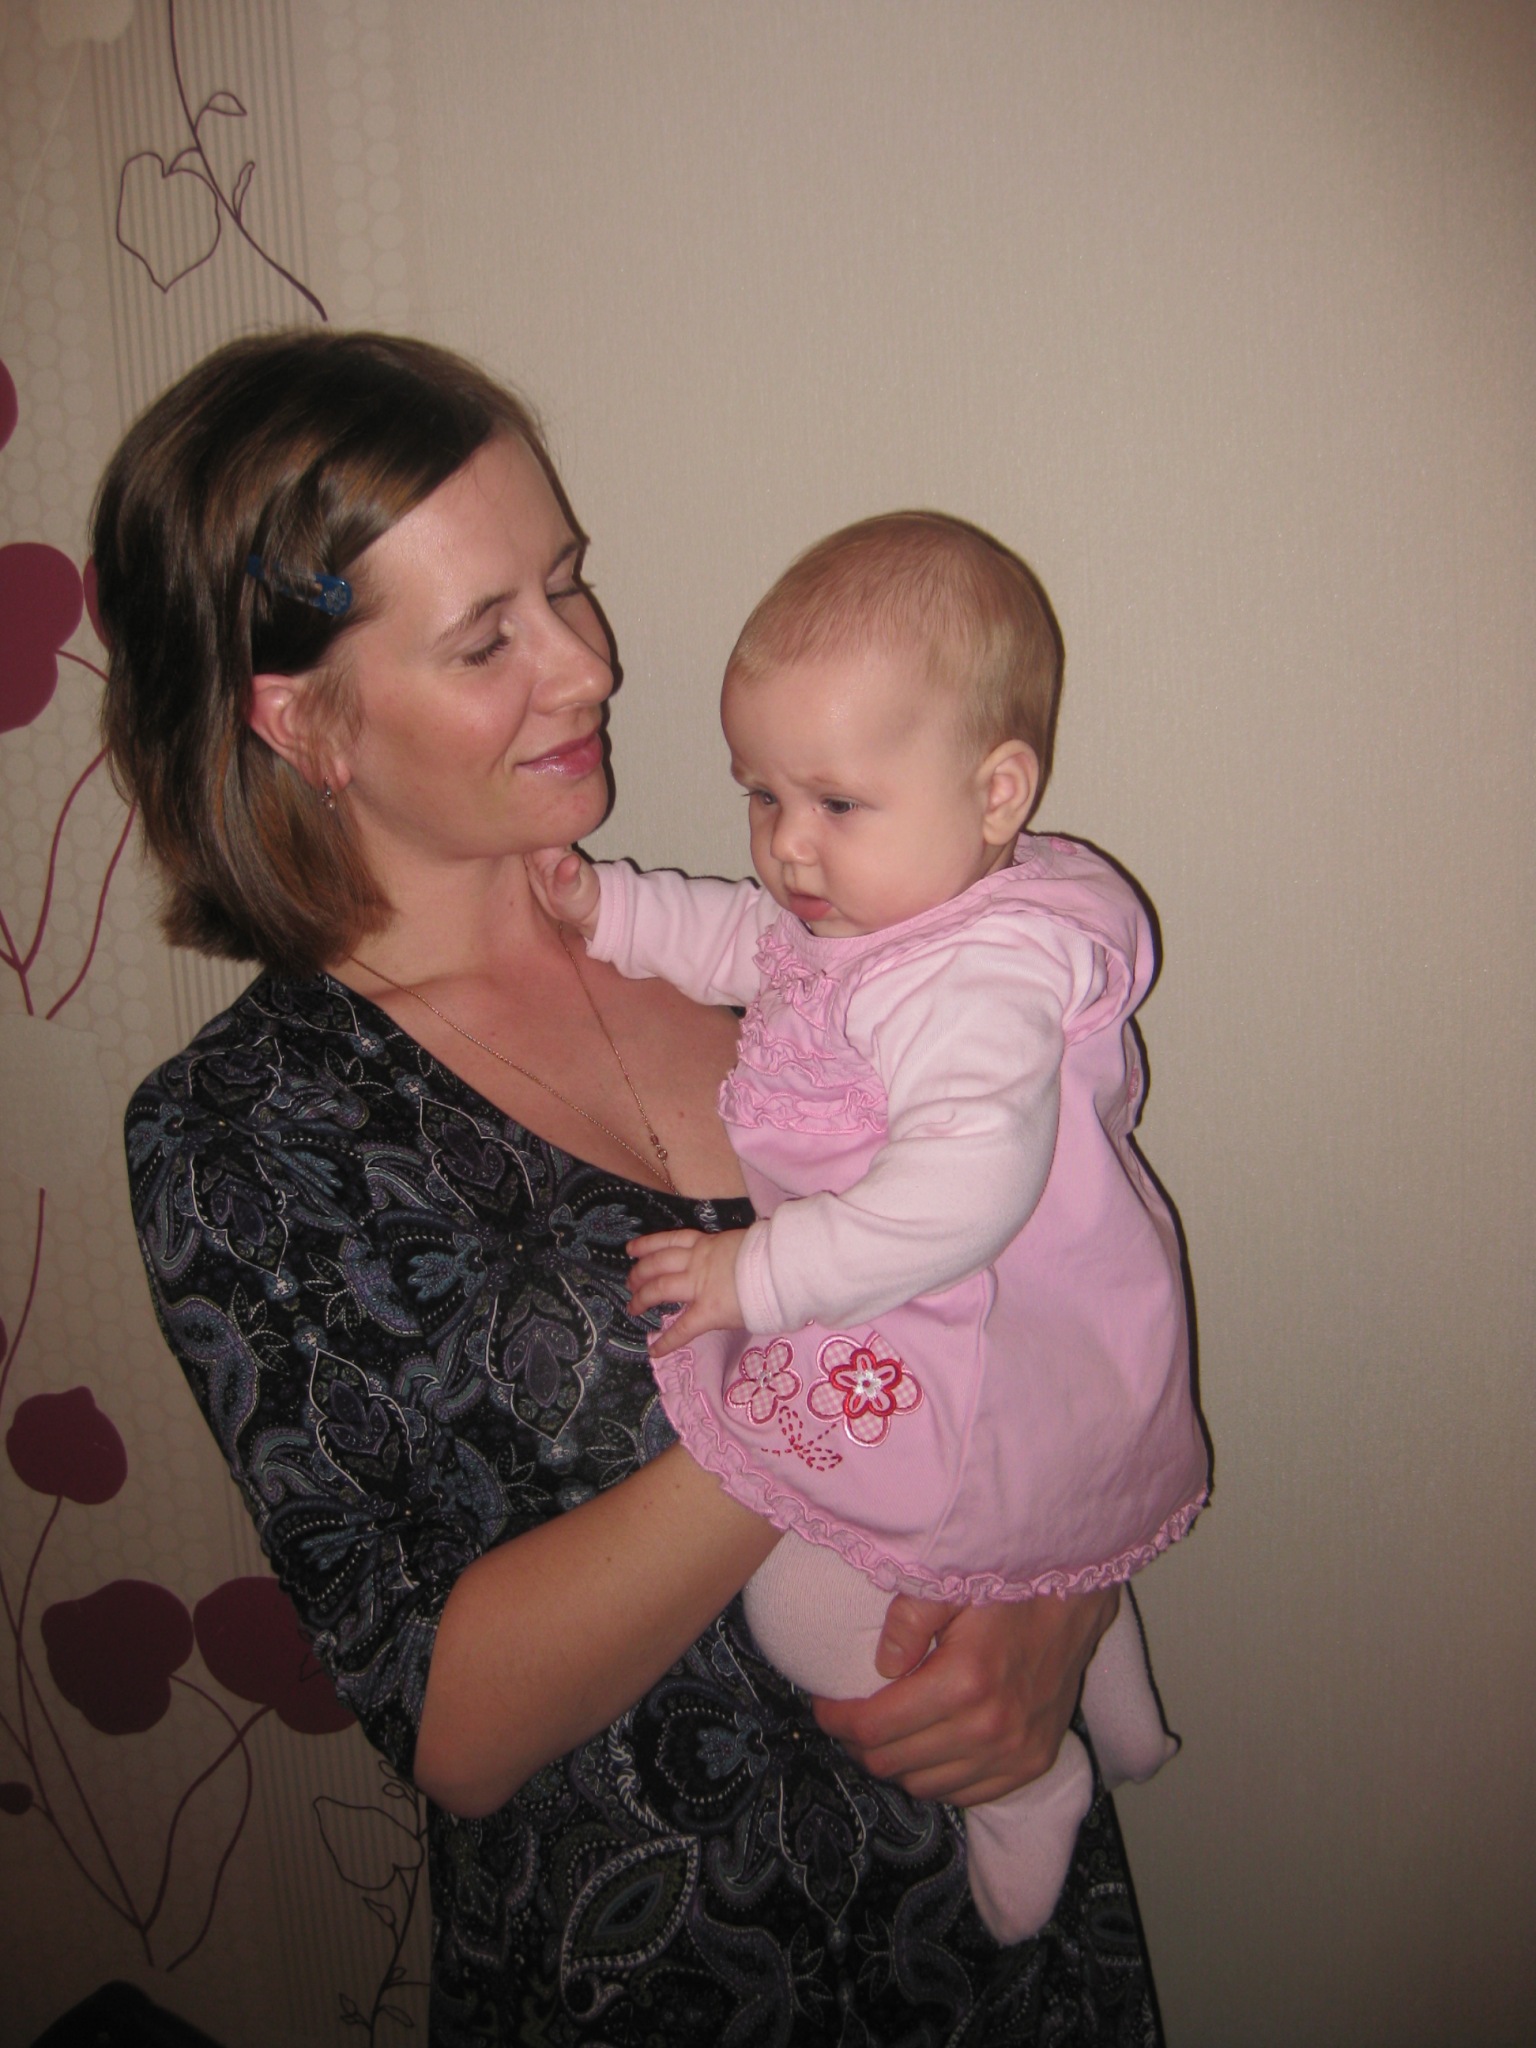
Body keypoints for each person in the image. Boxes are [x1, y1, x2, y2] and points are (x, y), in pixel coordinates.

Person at [100, 329, 1166, 2044]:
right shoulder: (244, 1132)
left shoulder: (804, 945)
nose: (590, 664)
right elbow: (453, 1725)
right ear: (305, 720)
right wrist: (817, 1407)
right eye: (487, 638)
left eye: (569, 583)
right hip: (670, 1970)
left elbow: (1062, 1286)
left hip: (1003, 1940)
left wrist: (1066, 1595)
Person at [529, 513, 1209, 1941]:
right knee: (1059, 1520)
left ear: (998, 789)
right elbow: (742, 943)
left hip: (963, 1320)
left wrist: (756, 1274)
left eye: (836, 802)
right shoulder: (886, 911)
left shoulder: (972, 982)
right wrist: (611, 910)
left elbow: (961, 1192)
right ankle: (1125, 1712)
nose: (789, 845)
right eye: (761, 794)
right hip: (1052, 1342)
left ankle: (1028, 1782)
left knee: (806, 1607)